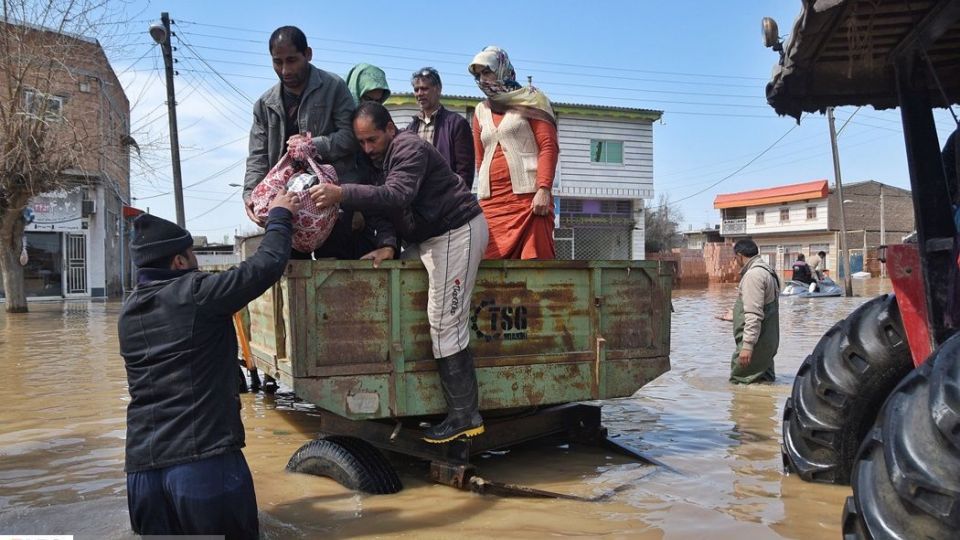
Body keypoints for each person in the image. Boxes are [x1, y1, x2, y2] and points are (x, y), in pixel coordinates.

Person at [118, 191, 300, 538]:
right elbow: (266, 265)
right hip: (203, 465)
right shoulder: (197, 294)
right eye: (193, 254)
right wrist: (280, 215)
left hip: (142, 473)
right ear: (179, 262)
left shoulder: (128, 312)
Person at [309, 102, 489, 444]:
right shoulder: (378, 160)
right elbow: (383, 212)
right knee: (426, 312)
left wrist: (341, 193)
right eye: (361, 143)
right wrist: (389, 246)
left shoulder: (409, 147)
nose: (367, 148)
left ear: (390, 128)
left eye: (372, 140)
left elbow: (396, 195)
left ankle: (466, 416)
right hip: (429, 236)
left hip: (456, 230)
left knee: (445, 320)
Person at [243, 26, 373, 260]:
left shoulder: (334, 87)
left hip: (330, 200)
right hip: (288, 201)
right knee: (290, 273)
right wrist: (250, 194)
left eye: (292, 60)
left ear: (308, 54)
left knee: (333, 271)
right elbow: (257, 155)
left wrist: (315, 145)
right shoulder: (264, 104)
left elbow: (351, 137)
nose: (285, 70)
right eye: (277, 62)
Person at [468, 46, 559, 260]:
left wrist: (543, 189)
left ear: (501, 69)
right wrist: (482, 192)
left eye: (487, 71)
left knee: (534, 268)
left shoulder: (533, 99)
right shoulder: (480, 110)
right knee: (490, 270)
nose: (483, 79)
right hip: (493, 205)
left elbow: (548, 146)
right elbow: (480, 158)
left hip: (530, 202)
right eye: (478, 75)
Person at [405, 67, 475, 189]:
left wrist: (456, 200)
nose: (419, 94)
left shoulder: (456, 124)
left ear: (438, 89)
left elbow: (465, 171)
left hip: (446, 200)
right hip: (418, 200)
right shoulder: (411, 128)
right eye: (416, 90)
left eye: (424, 88)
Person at [729, 239, 780, 384]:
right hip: (767, 343)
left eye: (735, 257)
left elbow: (754, 314)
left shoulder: (753, 276)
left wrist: (747, 346)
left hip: (757, 344)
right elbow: (762, 308)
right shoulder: (767, 270)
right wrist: (734, 316)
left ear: (739, 255)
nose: (735, 260)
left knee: (740, 384)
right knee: (765, 384)